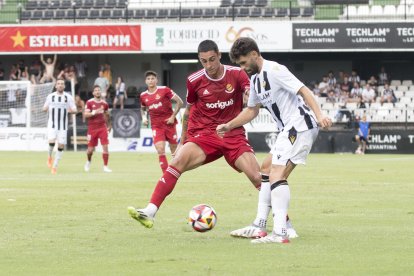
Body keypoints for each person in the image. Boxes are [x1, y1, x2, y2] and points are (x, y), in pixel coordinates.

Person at [127, 39, 264, 230]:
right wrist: (182, 142)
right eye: (204, 61)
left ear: (219, 56)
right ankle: (150, 210)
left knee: (257, 177)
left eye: (212, 59)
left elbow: (251, 95)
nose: (209, 65)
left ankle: (284, 222)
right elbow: (188, 112)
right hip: (205, 134)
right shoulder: (194, 80)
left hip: (232, 133)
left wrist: (250, 96)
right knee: (177, 162)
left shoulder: (237, 74)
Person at [217, 37, 332, 244]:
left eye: (243, 63)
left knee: (276, 174)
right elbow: (252, 111)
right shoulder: (254, 79)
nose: (242, 68)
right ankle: (260, 226)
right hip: (287, 129)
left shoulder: (275, 70)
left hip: (300, 125)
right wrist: (229, 125)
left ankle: (281, 232)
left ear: (254, 55)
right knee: (267, 168)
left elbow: (304, 90)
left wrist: (320, 114)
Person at [140, 71, 183, 173]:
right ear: (145, 81)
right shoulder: (143, 95)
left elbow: (180, 102)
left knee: (174, 151)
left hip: (169, 124)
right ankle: (166, 175)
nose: (151, 80)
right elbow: (142, 108)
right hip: (156, 126)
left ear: (156, 80)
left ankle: (176, 172)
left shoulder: (164, 90)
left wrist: (173, 116)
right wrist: (144, 118)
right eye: (148, 79)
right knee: (160, 150)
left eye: (152, 78)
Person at [42, 78, 77, 174]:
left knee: (61, 145)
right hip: (52, 124)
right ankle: (49, 157)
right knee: (52, 142)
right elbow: (44, 108)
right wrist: (45, 109)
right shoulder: (50, 96)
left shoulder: (68, 97)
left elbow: (75, 110)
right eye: (58, 84)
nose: (60, 85)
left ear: (64, 86)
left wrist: (69, 111)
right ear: (56, 86)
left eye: (62, 84)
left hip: (63, 126)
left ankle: (55, 166)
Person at [84, 85, 112, 173]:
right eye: (95, 90)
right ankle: (88, 161)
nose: (97, 92)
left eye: (99, 90)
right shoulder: (89, 102)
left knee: (105, 147)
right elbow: (86, 115)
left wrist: (109, 125)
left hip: (102, 127)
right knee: (90, 150)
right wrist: (94, 112)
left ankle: (105, 166)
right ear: (93, 93)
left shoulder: (104, 104)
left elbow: (107, 115)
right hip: (92, 128)